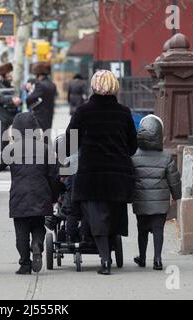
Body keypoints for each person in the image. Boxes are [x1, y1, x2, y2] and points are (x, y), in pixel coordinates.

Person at [65, 70, 138, 275]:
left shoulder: (83, 112)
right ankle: (109, 254)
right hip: (118, 175)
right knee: (113, 217)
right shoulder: (124, 112)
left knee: (96, 218)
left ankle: (105, 260)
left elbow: (70, 142)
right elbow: (132, 146)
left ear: (93, 87)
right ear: (115, 87)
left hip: (91, 175)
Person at [0, 112, 59, 275]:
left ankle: (25, 264)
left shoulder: (11, 149)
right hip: (41, 196)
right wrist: (54, 197)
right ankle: (37, 245)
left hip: (19, 197)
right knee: (39, 227)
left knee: (21, 233)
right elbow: (54, 176)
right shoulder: (46, 149)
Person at [131, 115, 181, 271]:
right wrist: (176, 195)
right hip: (160, 201)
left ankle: (142, 257)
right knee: (158, 230)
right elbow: (174, 179)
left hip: (140, 200)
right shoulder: (166, 157)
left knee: (142, 230)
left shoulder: (134, 156)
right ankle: (157, 259)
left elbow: (130, 178)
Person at [0, 62, 22, 151]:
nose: (10, 76)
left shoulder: (12, 87)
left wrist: (19, 102)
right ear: (2, 76)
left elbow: (17, 99)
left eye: (10, 73)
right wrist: (11, 101)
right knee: (0, 146)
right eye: (8, 74)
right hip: (0, 119)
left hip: (12, 118)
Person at [26, 62, 57, 131]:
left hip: (39, 115)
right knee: (47, 136)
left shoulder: (40, 85)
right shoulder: (52, 84)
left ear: (38, 74)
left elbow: (30, 98)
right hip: (49, 114)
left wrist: (29, 91)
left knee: (38, 138)